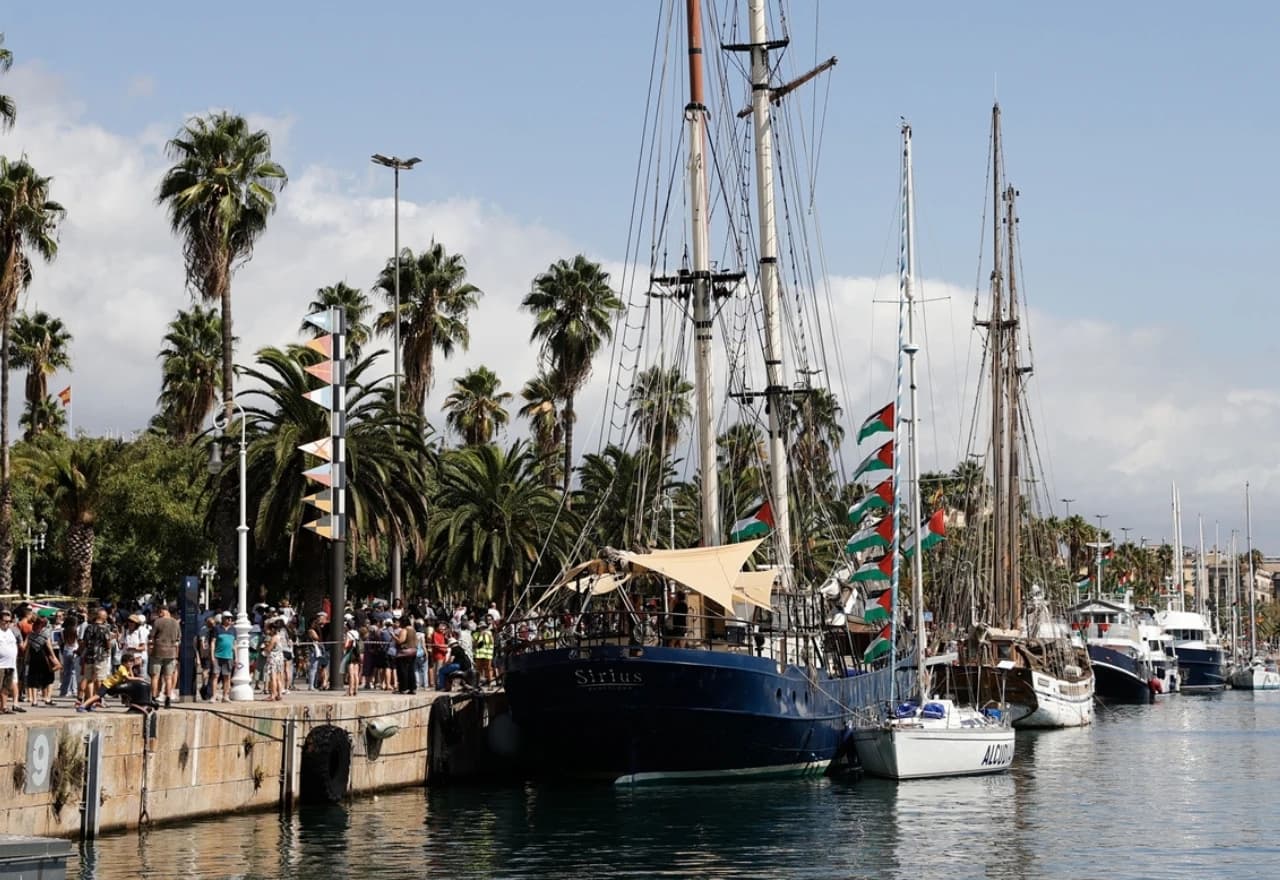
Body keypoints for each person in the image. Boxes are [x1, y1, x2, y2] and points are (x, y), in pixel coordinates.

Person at [78, 651, 156, 714]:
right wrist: (139, 678)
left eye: (132, 662)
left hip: (110, 685)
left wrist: (131, 669)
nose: (131, 664)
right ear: (124, 662)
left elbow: (131, 678)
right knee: (97, 696)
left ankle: (88, 706)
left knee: (99, 697)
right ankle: (83, 705)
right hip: (107, 684)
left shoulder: (126, 669)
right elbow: (128, 678)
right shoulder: (122, 668)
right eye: (129, 662)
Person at [148, 605, 182, 708]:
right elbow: (178, 638)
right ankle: (168, 699)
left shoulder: (157, 622)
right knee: (168, 678)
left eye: (159, 612)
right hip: (171, 652)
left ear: (163, 611)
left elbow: (151, 637)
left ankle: (153, 698)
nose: (159, 614)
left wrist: (150, 649)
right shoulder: (176, 623)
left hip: (158, 651)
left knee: (155, 676)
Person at [79, 608, 112, 708]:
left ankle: (89, 701)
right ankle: (98, 700)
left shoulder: (89, 627)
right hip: (100, 657)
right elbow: (108, 643)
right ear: (103, 617)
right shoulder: (105, 628)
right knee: (100, 680)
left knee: (89, 679)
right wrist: (108, 649)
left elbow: (84, 642)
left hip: (89, 655)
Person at [25, 616, 60, 706]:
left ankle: (34, 700)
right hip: (45, 659)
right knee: (49, 678)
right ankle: (48, 698)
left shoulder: (30, 635)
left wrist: (26, 659)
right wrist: (54, 658)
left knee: (34, 679)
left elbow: (28, 649)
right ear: (42, 625)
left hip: (34, 659)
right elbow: (49, 647)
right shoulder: (45, 635)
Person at [0, 609, 20, 714]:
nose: (7, 623)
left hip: (10, 664)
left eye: (9, 621)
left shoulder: (10, 632)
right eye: (5, 621)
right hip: (1, 665)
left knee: (6, 688)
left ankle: (4, 707)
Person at [213, 613, 236, 701]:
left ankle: (225, 695)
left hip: (229, 656)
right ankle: (214, 695)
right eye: (228, 618)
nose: (230, 620)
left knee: (227, 676)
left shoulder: (233, 630)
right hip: (218, 655)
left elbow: (234, 644)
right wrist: (212, 655)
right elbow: (213, 642)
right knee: (215, 675)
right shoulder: (217, 628)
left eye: (231, 618)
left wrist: (236, 657)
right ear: (223, 619)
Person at [59, 613, 81, 700]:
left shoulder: (62, 631)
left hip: (66, 650)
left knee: (66, 672)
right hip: (74, 650)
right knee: (73, 672)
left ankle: (64, 690)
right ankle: (73, 690)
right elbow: (78, 641)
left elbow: (61, 642)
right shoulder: (76, 631)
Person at [393, 618, 417, 695]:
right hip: (413, 651)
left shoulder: (404, 630)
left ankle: (403, 688)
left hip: (404, 653)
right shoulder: (413, 630)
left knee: (402, 671)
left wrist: (394, 636)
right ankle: (412, 688)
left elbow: (401, 640)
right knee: (411, 670)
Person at [306, 612, 329, 690]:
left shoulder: (322, 628)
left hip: (320, 649)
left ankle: (322, 683)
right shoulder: (311, 630)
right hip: (314, 649)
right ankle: (311, 685)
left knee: (323, 667)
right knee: (314, 667)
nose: (318, 622)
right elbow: (316, 638)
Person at [342, 617, 361, 696]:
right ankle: (356, 690)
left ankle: (350, 690)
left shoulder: (348, 633)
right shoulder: (357, 633)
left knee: (351, 673)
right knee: (356, 673)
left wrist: (343, 646)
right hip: (356, 653)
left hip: (350, 653)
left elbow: (346, 644)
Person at [473, 619, 495, 686]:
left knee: (488, 669)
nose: (482, 629)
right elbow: (474, 644)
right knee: (478, 670)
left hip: (487, 655)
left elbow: (492, 642)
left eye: (483, 627)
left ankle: (490, 684)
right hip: (479, 655)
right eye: (481, 627)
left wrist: (488, 635)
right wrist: (480, 635)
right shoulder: (476, 634)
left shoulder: (489, 633)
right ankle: (478, 684)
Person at [429, 622, 449, 689]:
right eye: (440, 626)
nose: (442, 628)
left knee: (442, 670)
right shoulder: (435, 634)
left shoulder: (442, 635)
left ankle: (441, 683)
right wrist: (444, 649)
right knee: (438, 670)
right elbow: (436, 644)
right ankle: (438, 684)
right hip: (438, 654)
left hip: (443, 654)